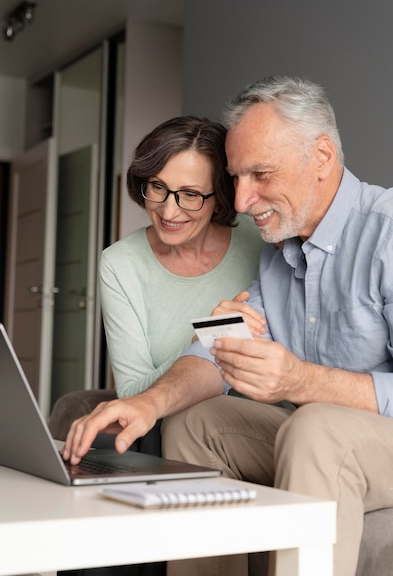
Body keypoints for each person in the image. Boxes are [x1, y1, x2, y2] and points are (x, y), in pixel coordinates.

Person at [63, 76, 393, 576]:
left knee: (317, 424)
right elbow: (222, 353)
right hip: (315, 431)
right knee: (198, 420)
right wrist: (147, 403)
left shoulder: (386, 232)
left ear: (322, 157)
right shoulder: (277, 253)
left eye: (260, 174)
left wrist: (301, 381)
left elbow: (308, 396)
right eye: (237, 178)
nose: (239, 202)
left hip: (360, 434)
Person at [57, 115, 264, 576]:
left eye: (190, 194)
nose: (170, 210)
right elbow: (132, 392)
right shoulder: (121, 264)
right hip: (156, 420)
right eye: (157, 187)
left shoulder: (258, 245)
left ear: (220, 198)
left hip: (235, 421)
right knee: (110, 435)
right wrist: (202, 343)